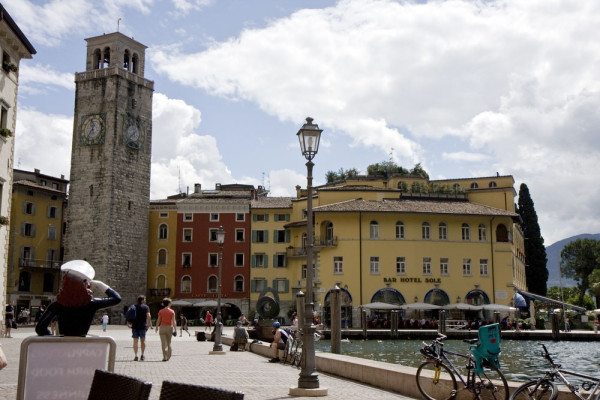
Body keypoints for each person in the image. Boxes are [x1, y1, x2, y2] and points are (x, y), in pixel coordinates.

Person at [36, 261, 121, 337]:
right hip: (83, 345)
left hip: (63, 345)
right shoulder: (91, 303)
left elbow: (40, 329)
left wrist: (52, 337)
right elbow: (117, 298)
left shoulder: (57, 304)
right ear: (84, 284)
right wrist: (100, 285)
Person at [128, 295, 152, 361]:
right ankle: (142, 355)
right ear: (142, 300)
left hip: (134, 326)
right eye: (145, 299)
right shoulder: (146, 307)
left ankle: (135, 356)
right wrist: (148, 324)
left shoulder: (133, 307)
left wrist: (128, 323)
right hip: (142, 326)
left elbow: (128, 315)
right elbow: (149, 316)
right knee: (143, 341)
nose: (145, 300)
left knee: (135, 341)